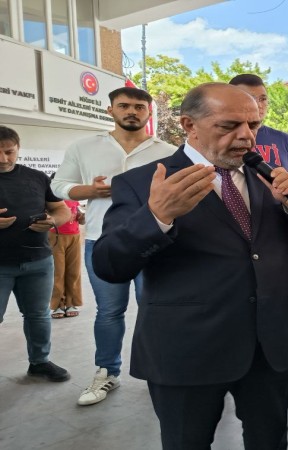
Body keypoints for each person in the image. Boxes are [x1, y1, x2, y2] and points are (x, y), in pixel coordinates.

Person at [92, 82, 288, 449]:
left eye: (253, 125)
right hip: (187, 351)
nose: (246, 136)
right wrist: (156, 217)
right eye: (229, 125)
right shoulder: (142, 183)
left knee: (270, 441)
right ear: (189, 125)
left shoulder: (269, 177)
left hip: (271, 348)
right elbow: (109, 265)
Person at [52, 87, 175, 406]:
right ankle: (107, 372)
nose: (131, 111)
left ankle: (162, 371)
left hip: (154, 242)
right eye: (124, 105)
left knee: (156, 309)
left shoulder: (168, 151)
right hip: (102, 240)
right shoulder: (84, 147)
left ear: (149, 112)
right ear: (111, 110)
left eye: (139, 106)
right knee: (109, 311)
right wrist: (89, 191)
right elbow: (59, 185)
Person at [0, 125, 72, 382]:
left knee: (38, 315)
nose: (3, 159)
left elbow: (62, 210)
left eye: (9, 152)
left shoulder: (36, 177)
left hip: (38, 261)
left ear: (18, 148)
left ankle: (40, 362)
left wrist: (53, 221)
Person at [229, 74, 288, 175]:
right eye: (250, 99)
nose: (259, 105)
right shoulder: (218, 139)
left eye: (263, 99)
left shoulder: (284, 139)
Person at [49, 190, 85, 319]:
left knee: (74, 271)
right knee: (58, 272)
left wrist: (82, 217)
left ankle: (71, 303)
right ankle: (58, 304)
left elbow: (82, 221)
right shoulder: (52, 199)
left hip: (74, 236)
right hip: (56, 236)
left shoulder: (73, 197)